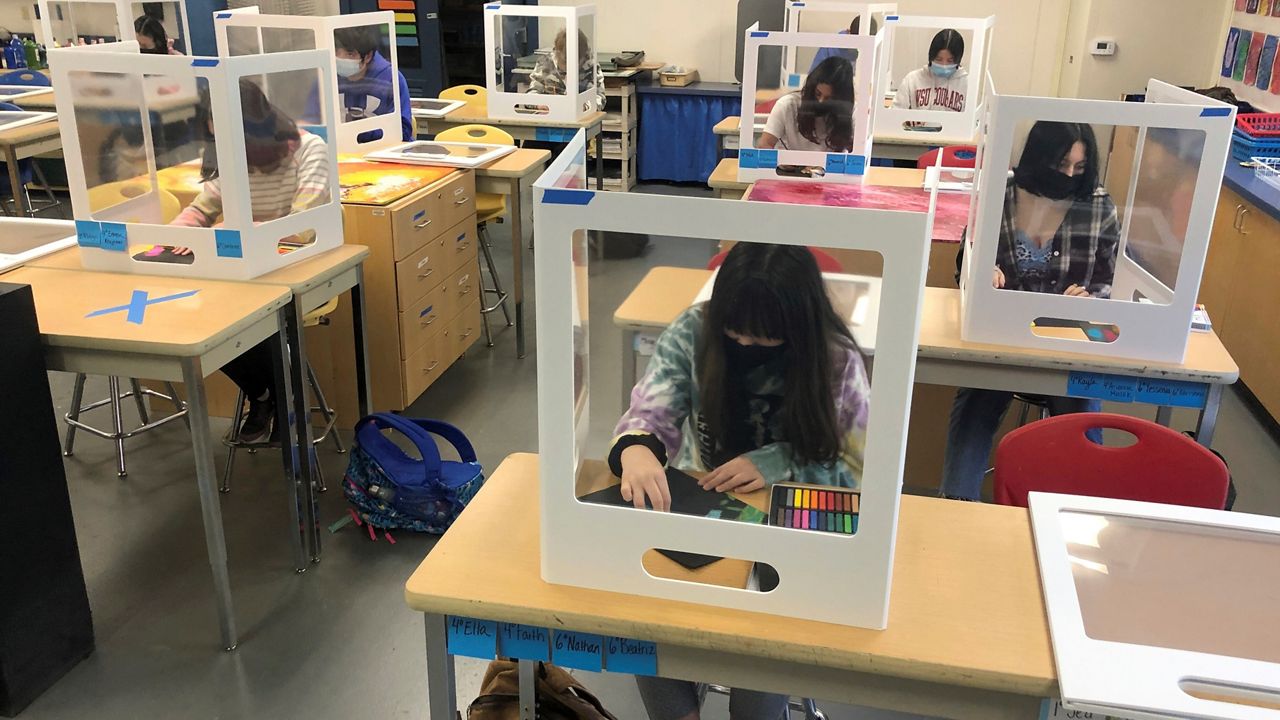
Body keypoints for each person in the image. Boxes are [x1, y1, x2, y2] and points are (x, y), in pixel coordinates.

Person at [610, 243, 869, 718]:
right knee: (642, 612)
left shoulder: (835, 359)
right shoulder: (695, 330)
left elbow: (855, 471)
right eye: (736, 334)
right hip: (701, 506)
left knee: (762, 654)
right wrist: (637, 448)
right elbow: (650, 410)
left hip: (791, 525)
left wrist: (777, 461)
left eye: (765, 338)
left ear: (796, 326)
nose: (747, 347)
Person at [941, 121, 1119, 501]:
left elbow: (1109, 282)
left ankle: (1084, 514)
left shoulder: (1098, 205)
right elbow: (964, 266)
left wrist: (1091, 299)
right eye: (1062, 165)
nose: (1070, 175)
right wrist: (979, 272)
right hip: (1002, 337)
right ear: (1038, 159)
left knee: (1084, 415)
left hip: (1067, 341)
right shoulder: (998, 195)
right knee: (974, 407)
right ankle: (956, 507)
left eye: (1080, 167)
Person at [171, 80, 332, 443]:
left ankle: (279, 396)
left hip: (298, 267)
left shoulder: (309, 150)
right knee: (200, 322)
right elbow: (203, 206)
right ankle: (268, 396)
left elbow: (302, 226)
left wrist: (242, 229)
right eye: (215, 130)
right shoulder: (235, 154)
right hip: (246, 270)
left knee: (242, 318)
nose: (221, 141)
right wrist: (177, 236)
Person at [758, 55, 855, 152]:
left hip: (828, 167)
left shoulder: (851, 112)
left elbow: (855, 153)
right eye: (817, 94)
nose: (821, 101)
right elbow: (765, 145)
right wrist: (784, 163)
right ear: (812, 88)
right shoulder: (788, 105)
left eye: (829, 98)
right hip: (791, 165)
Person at [333, 25, 413, 142]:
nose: (340, 59)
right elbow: (311, 121)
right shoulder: (326, 77)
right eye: (336, 52)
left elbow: (403, 130)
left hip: (382, 150)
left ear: (368, 56)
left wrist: (356, 134)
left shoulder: (391, 79)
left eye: (350, 54)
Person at [527, 28, 605, 110]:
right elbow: (531, 94)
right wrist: (539, 105)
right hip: (549, 115)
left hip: (580, 117)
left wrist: (585, 107)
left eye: (577, 62)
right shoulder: (545, 64)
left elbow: (600, 97)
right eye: (566, 61)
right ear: (557, 52)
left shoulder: (591, 65)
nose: (570, 67)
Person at [893, 28, 967, 112]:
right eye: (938, 59)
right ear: (931, 57)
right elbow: (895, 112)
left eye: (950, 61)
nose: (944, 65)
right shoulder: (912, 80)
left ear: (958, 61)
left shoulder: (966, 84)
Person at [808, 15, 877, 72]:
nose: (858, 49)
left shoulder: (873, 49)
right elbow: (814, 77)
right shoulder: (830, 47)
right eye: (855, 43)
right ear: (848, 32)